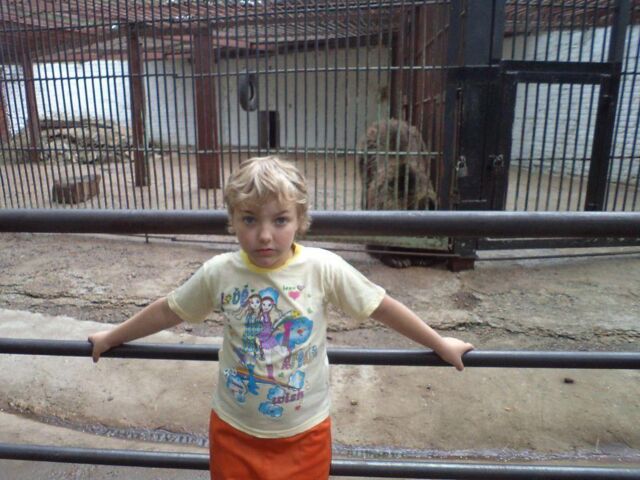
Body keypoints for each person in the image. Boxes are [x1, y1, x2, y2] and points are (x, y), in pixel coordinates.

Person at [88, 155, 474, 480]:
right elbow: (169, 309)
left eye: (280, 220)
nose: (264, 236)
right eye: (250, 219)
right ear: (233, 219)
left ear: (300, 220)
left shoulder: (322, 268)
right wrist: (112, 337)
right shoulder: (219, 272)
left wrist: (439, 343)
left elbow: (381, 305)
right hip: (234, 432)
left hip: (304, 435)